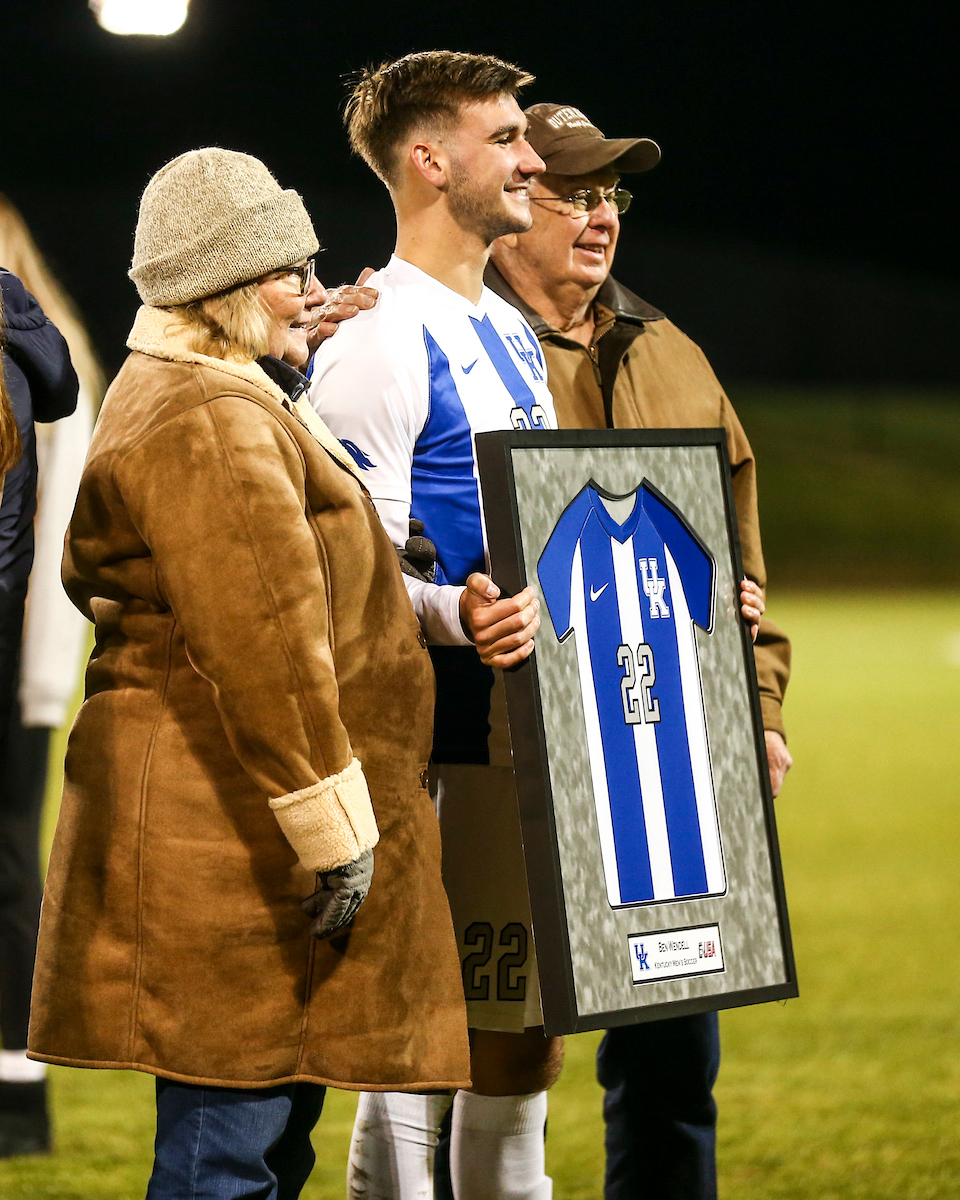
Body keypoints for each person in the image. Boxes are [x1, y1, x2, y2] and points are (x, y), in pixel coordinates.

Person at [26, 148, 469, 1198]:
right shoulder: (214, 419)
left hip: (222, 816)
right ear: (222, 287)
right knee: (228, 1145)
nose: (314, 295)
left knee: (259, 1129)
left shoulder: (204, 385)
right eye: (288, 274)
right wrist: (333, 825)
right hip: (230, 828)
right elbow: (265, 641)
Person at [485, 102, 793, 1200]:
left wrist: (757, 711)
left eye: (612, 194)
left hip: (668, 761)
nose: (600, 215)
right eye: (573, 191)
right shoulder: (459, 348)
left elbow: (738, 556)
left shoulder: (670, 349)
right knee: (482, 1065)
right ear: (509, 198)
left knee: (672, 1060)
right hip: (507, 760)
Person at [310, 50, 562, 1200]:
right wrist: (450, 617)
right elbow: (344, 566)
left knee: (513, 1032)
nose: (530, 156)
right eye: (504, 136)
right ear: (428, 158)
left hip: (521, 730)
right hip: (436, 743)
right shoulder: (379, 336)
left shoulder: (505, 326)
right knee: (419, 1044)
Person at [0, 194, 100, 1157]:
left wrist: (40, 664)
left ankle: (15, 1102)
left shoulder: (40, 342)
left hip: (18, 651)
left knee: (6, 865)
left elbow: (59, 513)